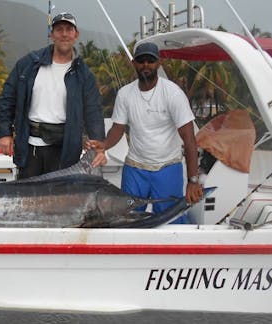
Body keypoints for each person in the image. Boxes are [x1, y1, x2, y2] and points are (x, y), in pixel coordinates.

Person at [86, 41, 203, 224]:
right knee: (127, 219)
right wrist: (105, 144)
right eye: (141, 61)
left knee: (171, 221)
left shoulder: (173, 94)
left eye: (151, 61)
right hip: (135, 169)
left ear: (158, 63)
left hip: (168, 168)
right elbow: (118, 129)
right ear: (134, 63)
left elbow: (189, 139)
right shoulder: (125, 94)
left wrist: (193, 180)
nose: (146, 65)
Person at [0, 12, 104, 179]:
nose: (64, 34)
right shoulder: (28, 64)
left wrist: (99, 144)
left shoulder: (84, 75)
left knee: (60, 200)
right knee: (28, 198)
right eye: (59, 29)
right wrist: (5, 133)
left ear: (76, 35)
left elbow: (93, 112)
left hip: (65, 150)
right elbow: (7, 98)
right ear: (51, 34)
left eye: (69, 29)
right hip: (29, 147)